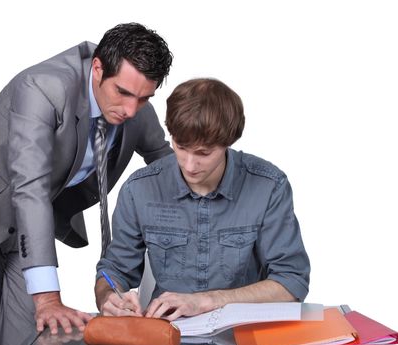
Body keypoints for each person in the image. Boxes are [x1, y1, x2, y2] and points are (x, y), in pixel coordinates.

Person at [0, 23, 173, 345]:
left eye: (143, 98)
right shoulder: (42, 88)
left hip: (33, 226)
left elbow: (165, 161)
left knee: (27, 337)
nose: (130, 110)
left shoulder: (134, 101)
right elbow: (30, 187)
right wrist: (48, 297)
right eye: (123, 93)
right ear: (97, 69)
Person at [95, 78, 310, 320]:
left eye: (203, 153)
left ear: (229, 142)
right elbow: (114, 271)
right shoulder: (139, 189)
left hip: (245, 335)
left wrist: (208, 301)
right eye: (180, 147)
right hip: (168, 335)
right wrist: (109, 297)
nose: (189, 164)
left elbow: (291, 282)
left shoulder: (268, 186)